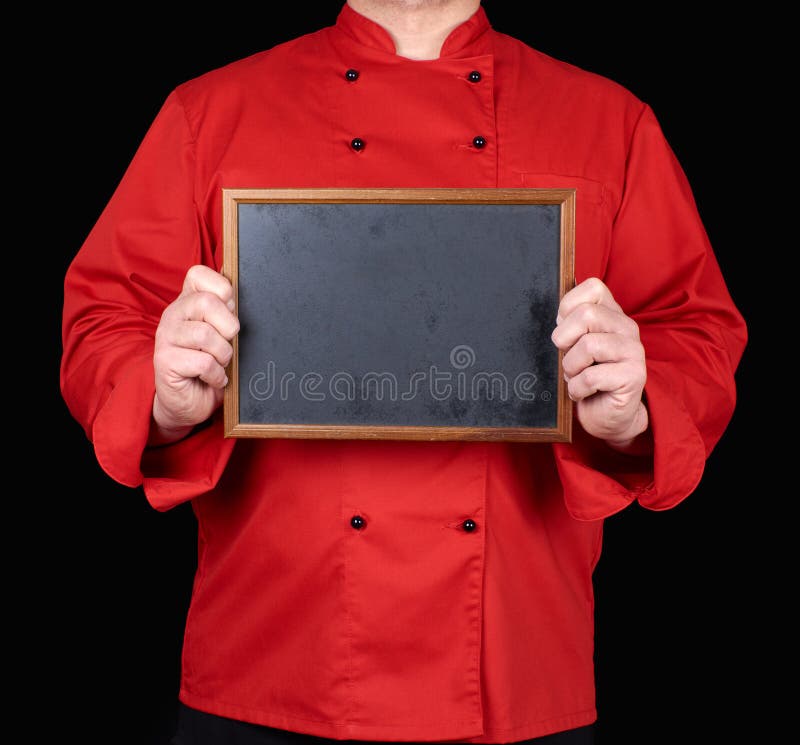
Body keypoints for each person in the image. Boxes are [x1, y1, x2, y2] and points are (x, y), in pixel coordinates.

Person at [60, 1, 746, 743]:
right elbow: (102, 320)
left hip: (516, 681)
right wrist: (162, 395)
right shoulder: (210, 112)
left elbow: (696, 330)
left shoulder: (608, 120)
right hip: (272, 674)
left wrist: (637, 404)